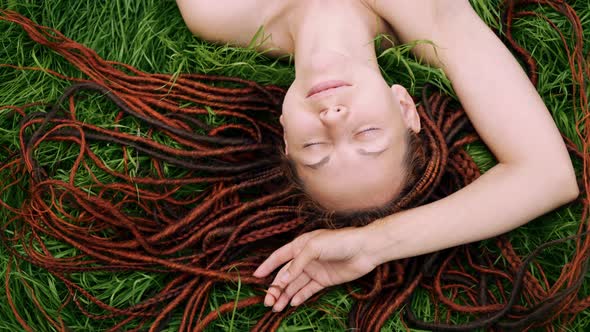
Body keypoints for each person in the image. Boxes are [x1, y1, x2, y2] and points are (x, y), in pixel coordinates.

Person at [176, 0, 579, 313]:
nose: (333, 120)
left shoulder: (216, 10)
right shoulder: (428, 15)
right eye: (367, 134)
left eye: (315, 148)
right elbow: (547, 175)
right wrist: (373, 244)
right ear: (404, 107)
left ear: (284, 132)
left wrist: (370, 245)